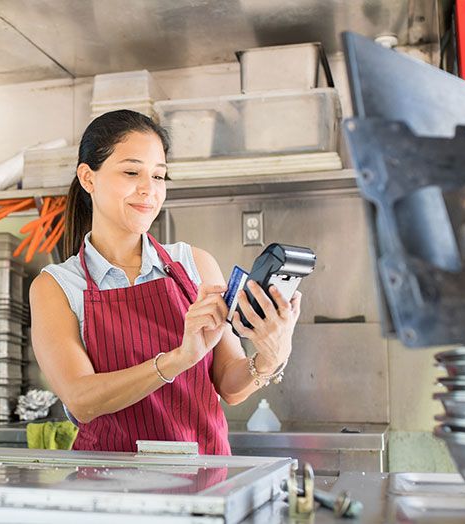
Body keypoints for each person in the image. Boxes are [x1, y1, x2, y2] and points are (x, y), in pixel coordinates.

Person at [29, 110, 302, 454]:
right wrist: (177, 359)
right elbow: (82, 400)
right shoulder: (56, 286)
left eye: (159, 177)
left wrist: (269, 355)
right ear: (88, 178)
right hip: (109, 488)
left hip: (204, 483)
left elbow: (230, 387)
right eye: (131, 172)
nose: (149, 190)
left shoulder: (196, 264)